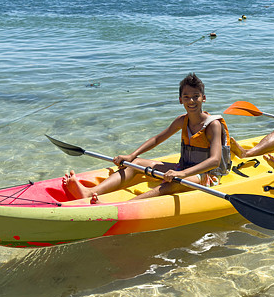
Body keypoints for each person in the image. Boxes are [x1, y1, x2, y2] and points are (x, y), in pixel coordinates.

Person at [63, 73, 232, 202]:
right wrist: (131, 156)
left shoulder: (212, 125)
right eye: (187, 97)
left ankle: (127, 205)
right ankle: (90, 192)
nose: (192, 101)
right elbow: (156, 139)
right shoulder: (182, 120)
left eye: (196, 96)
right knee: (134, 164)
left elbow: (215, 161)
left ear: (204, 98)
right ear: (180, 100)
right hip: (184, 167)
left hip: (207, 175)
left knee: (173, 184)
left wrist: (182, 174)